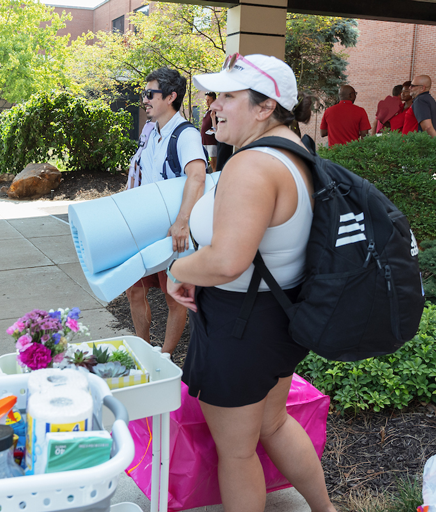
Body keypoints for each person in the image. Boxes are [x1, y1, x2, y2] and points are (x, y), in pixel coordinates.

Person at [171, 54, 336, 512]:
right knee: (274, 423)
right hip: (278, 316)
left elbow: (226, 262)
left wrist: (177, 271)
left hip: (239, 325)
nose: (213, 106)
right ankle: (326, 510)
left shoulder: (253, 166)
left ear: (265, 107)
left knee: (238, 450)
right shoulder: (296, 153)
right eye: (214, 95)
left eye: (227, 96)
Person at [126, 67, 207, 356]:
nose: (144, 100)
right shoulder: (152, 132)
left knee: (175, 298)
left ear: (171, 96)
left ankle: (165, 356)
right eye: (144, 94)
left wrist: (182, 223)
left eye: (150, 94)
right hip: (146, 228)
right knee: (134, 289)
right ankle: (144, 349)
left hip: (173, 232)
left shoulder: (186, 135)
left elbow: (197, 176)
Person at [201, 92, 219, 172]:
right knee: (206, 161)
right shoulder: (207, 111)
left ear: (214, 100)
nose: (207, 102)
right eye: (206, 100)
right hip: (204, 141)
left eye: (209, 100)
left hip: (211, 142)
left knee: (213, 162)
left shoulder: (215, 112)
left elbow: (216, 127)